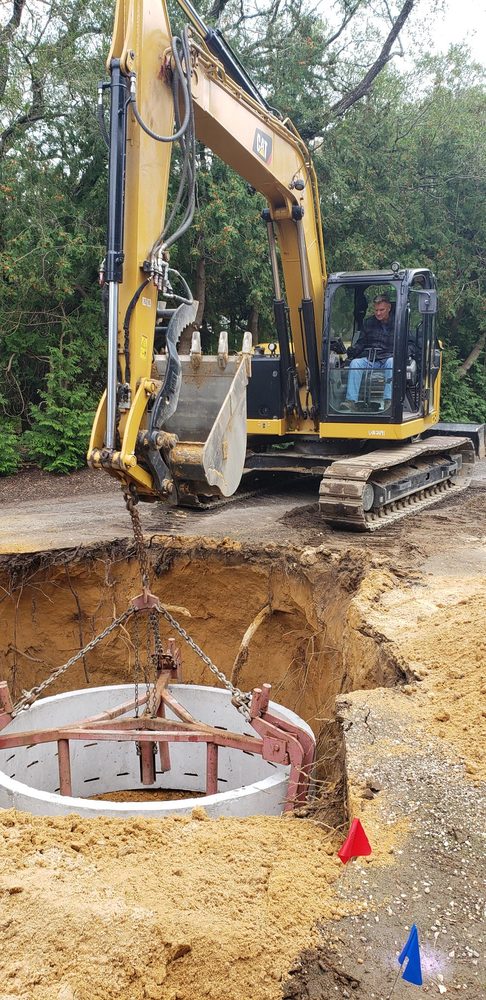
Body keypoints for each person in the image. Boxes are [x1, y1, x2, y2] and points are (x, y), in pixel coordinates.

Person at [342, 293, 395, 410]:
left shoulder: (399, 323)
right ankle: (351, 401)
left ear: (389, 308)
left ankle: (389, 400)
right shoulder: (368, 322)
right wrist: (352, 351)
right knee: (355, 363)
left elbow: (409, 343)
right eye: (376, 310)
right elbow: (361, 343)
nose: (378, 313)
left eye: (382, 310)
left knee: (392, 362)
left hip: (388, 358)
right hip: (371, 359)